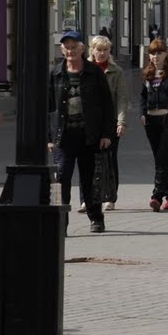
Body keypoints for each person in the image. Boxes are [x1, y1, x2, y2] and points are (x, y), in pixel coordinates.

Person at [48, 30, 114, 233]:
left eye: (74, 47)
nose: (70, 50)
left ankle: (96, 218)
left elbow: (106, 105)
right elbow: (48, 107)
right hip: (63, 137)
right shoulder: (55, 73)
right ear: (62, 49)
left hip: (89, 135)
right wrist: (49, 138)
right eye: (67, 47)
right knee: (59, 182)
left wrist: (106, 134)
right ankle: (59, 221)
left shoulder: (94, 72)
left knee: (90, 180)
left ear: (82, 48)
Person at [140, 39, 168, 212]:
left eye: (159, 53)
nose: (156, 56)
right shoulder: (147, 74)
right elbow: (143, 97)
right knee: (160, 159)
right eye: (153, 53)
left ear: (166, 54)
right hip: (151, 122)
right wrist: (142, 113)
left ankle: (156, 195)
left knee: (161, 158)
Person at [90, 36, 128, 209]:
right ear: (92, 50)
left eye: (105, 50)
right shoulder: (86, 69)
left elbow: (121, 98)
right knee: (89, 161)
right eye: (99, 49)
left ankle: (110, 197)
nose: (102, 53)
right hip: (90, 123)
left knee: (110, 160)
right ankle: (89, 198)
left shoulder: (116, 71)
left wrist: (121, 122)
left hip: (110, 122)